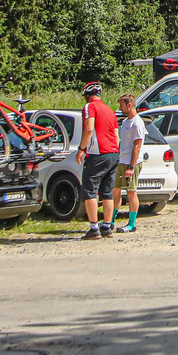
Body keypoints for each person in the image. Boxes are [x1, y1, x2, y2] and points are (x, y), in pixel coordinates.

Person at [76, 81, 120, 240]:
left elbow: (89, 129)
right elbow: (116, 136)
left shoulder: (90, 107)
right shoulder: (110, 110)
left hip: (97, 154)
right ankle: (107, 227)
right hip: (114, 153)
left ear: (87, 96)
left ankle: (94, 228)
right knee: (107, 192)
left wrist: (81, 149)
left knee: (89, 191)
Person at [112, 94, 146, 234]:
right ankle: (111, 220)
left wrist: (131, 167)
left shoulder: (137, 123)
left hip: (132, 162)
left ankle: (132, 224)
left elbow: (137, 146)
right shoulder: (126, 121)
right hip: (122, 160)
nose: (120, 108)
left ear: (129, 105)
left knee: (131, 192)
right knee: (116, 190)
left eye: (122, 105)